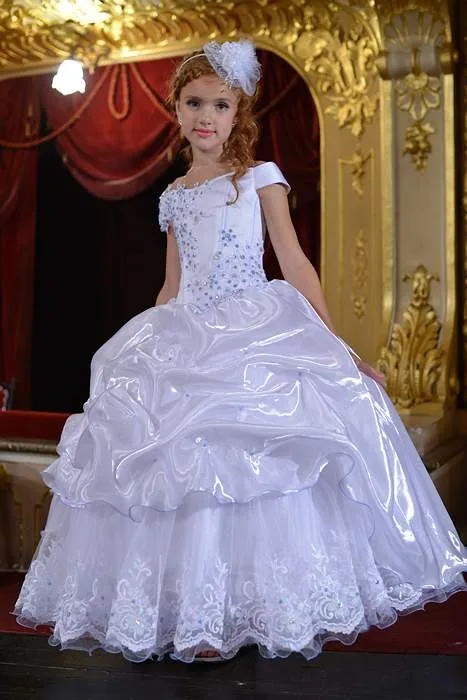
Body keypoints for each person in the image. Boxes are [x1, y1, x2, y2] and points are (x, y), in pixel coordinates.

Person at [13, 38, 467, 664]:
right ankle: (198, 617)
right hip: (186, 331)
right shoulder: (174, 196)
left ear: (238, 113)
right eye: (194, 103)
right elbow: (172, 286)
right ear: (177, 109)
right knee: (187, 474)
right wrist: (146, 348)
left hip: (255, 325)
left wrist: (336, 347)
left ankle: (257, 611)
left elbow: (295, 263)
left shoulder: (259, 178)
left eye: (220, 105)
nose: (207, 117)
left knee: (249, 467)